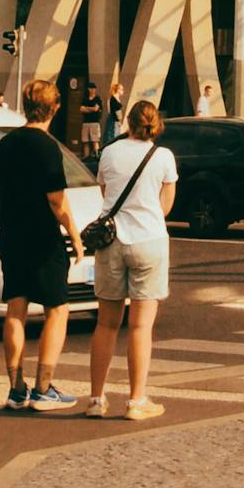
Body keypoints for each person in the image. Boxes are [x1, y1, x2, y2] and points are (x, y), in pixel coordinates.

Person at [0, 77, 81, 413]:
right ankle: (43, 388)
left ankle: (16, 388)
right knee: (57, 308)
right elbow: (57, 201)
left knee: (16, 308)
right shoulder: (48, 147)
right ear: (54, 108)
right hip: (43, 237)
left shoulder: (5, 145)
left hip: (11, 234)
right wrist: (74, 234)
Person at [86, 99, 176, 421]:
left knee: (106, 323)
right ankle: (136, 401)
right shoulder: (163, 157)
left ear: (128, 122)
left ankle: (96, 399)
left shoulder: (110, 152)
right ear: (156, 124)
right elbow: (166, 206)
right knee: (140, 326)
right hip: (149, 241)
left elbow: (105, 192)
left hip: (112, 242)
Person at [79, 82, 102, 166]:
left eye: (93, 88)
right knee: (85, 141)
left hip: (94, 123)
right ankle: (86, 158)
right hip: (86, 123)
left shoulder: (97, 99)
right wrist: (91, 109)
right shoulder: (85, 99)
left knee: (95, 141)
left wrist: (87, 108)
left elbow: (96, 109)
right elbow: (81, 109)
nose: (92, 90)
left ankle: (97, 159)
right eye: (90, 88)